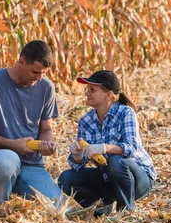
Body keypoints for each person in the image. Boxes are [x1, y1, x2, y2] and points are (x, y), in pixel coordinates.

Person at [0, 40, 62, 205]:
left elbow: (46, 128)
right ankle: (0, 207)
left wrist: (47, 143)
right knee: (8, 161)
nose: (39, 78)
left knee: (58, 207)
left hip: (32, 165)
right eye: (35, 72)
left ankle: (15, 191)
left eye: (43, 73)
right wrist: (12, 144)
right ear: (21, 62)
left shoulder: (46, 88)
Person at [58, 70, 156, 213]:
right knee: (66, 178)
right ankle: (101, 208)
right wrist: (78, 156)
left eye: (92, 90)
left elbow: (132, 148)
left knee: (116, 161)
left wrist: (104, 148)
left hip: (138, 179)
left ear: (108, 95)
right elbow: (80, 164)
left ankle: (125, 211)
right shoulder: (86, 121)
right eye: (87, 89)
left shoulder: (125, 113)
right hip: (109, 179)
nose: (87, 94)